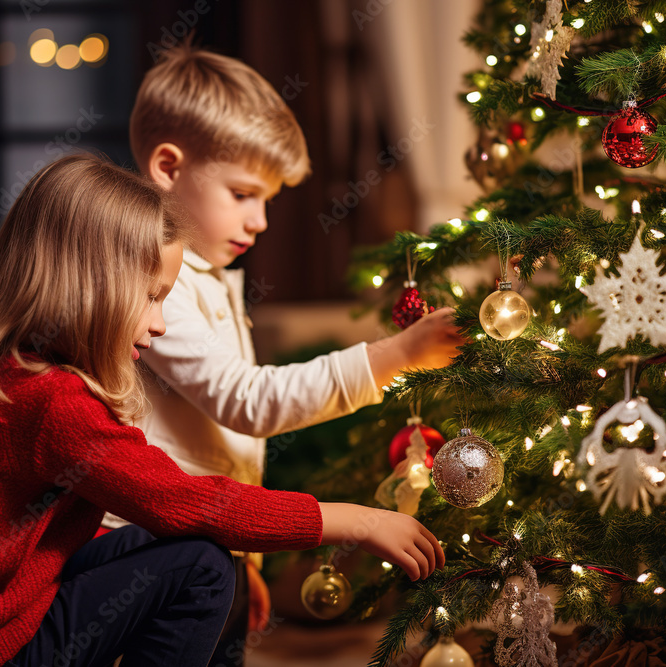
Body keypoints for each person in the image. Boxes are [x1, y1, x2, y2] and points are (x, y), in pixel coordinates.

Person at [0, 154, 445, 667]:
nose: (160, 324)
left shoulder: (16, 370)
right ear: (87, 283)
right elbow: (184, 500)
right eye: (151, 297)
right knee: (202, 565)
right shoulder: (48, 398)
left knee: (200, 551)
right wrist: (361, 521)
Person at [113, 41, 466, 665]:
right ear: (168, 167)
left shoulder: (207, 275)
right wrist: (397, 354)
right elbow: (247, 401)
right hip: (148, 551)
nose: (262, 220)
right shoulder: (150, 278)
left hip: (204, 539)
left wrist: (243, 555)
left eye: (269, 199)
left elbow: (219, 447)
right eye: (244, 193)